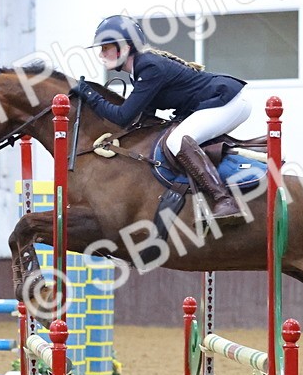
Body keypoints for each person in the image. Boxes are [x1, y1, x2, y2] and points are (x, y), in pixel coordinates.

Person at [69, 14, 249, 223]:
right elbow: (141, 117)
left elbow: (123, 117)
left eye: (106, 47)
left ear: (124, 46)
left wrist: (89, 93)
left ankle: (224, 200)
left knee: (176, 141)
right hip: (220, 102)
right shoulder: (139, 71)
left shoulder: (148, 67)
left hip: (229, 102)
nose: (101, 54)